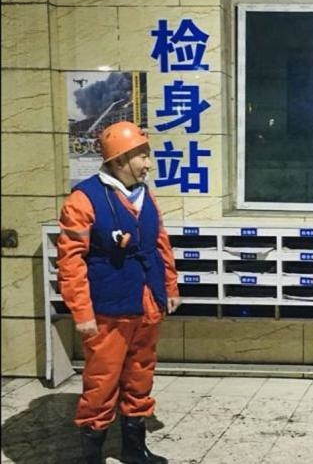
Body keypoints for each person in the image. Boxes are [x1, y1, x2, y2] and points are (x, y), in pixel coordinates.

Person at [57, 121, 181, 464]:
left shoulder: (145, 195)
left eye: (147, 154)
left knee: (141, 375)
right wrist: (81, 311)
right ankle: (91, 454)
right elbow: (70, 262)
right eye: (142, 155)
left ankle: (133, 448)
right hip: (108, 309)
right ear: (119, 160)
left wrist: (169, 286)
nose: (148, 163)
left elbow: (160, 243)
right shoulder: (84, 199)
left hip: (147, 302)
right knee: (102, 381)